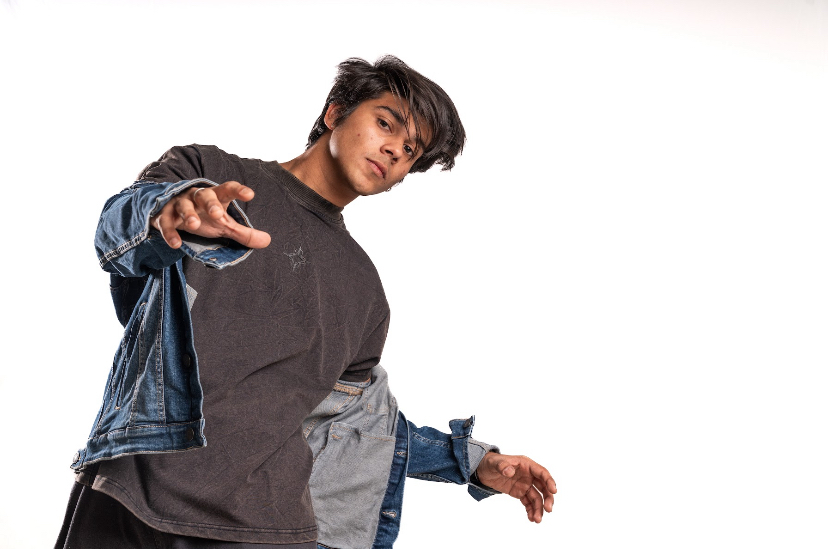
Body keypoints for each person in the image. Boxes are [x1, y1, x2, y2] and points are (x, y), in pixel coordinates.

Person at [56, 56, 556, 549]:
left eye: (410, 150)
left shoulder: (365, 292)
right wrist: (167, 211)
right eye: (385, 123)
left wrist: (470, 462)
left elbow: (352, 427)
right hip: (130, 495)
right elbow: (116, 232)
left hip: (266, 530)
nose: (394, 150)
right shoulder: (211, 175)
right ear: (335, 113)